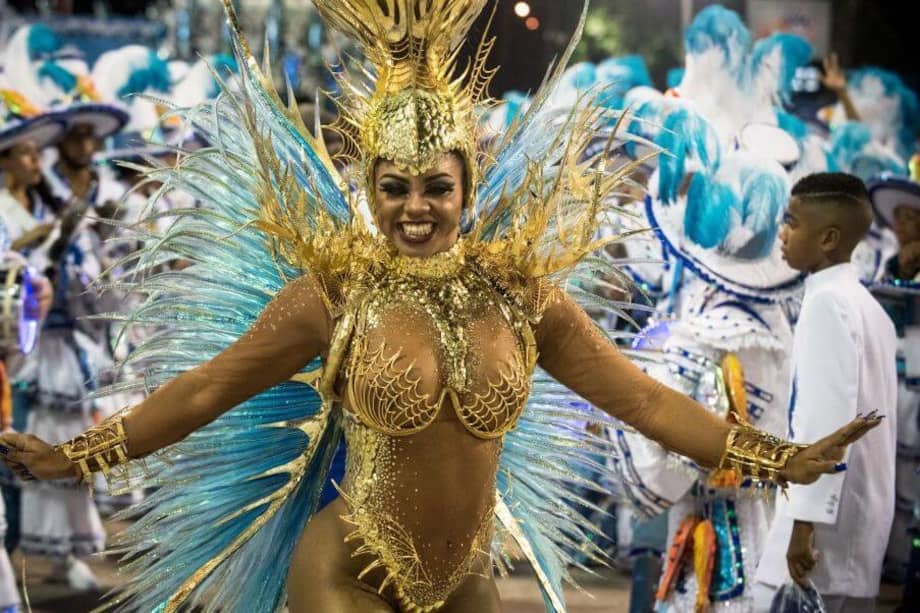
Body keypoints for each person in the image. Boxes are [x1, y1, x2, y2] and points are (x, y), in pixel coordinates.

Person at [0, 3, 883, 612]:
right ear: (369, 187)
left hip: (463, 578)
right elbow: (203, 391)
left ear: (468, 183)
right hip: (344, 570)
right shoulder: (333, 296)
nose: (414, 205)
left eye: (435, 185)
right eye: (393, 187)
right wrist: (75, 455)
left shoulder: (523, 296)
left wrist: (779, 457)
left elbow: (644, 401)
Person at [756, 172, 898, 612]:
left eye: (792, 222)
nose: (782, 232)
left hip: (819, 531)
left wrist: (802, 524)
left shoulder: (828, 303)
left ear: (828, 238)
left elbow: (826, 423)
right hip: (858, 518)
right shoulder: (870, 306)